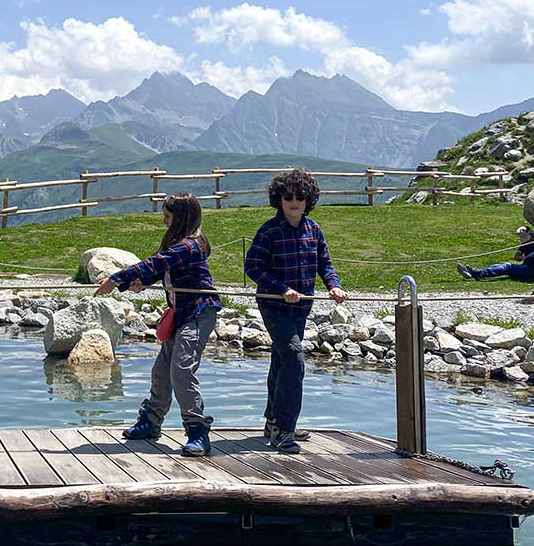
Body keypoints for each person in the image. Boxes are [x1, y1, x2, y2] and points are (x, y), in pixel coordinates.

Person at [95, 193, 221, 458]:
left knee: (181, 369)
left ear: (181, 218)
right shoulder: (180, 243)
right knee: (162, 370)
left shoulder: (190, 245)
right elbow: (158, 270)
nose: (164, 221)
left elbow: (158, 262)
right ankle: (151, 422)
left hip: (199, 312)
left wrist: (117, 279)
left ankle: (197, 431)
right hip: (181, 313)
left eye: (167, 216)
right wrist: (138, 283)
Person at [245, 168, 348, 455]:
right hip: (273, 306)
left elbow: (325, 264)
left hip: (302, 306)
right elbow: (252, 267)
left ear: (308, 200)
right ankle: (284, 430)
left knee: (281, 361)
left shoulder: (313, 230)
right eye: (288, 196)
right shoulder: (269, 230)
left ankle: (273, 421)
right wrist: (280, 288)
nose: (294, 201)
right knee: (294, 358)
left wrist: (334, 286)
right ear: (279, 199)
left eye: (300, 197)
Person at [457, 226, 534, 284]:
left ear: (531, 234)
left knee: (507, 267)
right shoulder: (524, 245)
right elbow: (516, 256)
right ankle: (475, 274)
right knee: (498, 266)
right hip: (527, 266)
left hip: (533, 270)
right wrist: (524, 257)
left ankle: (477, 273)